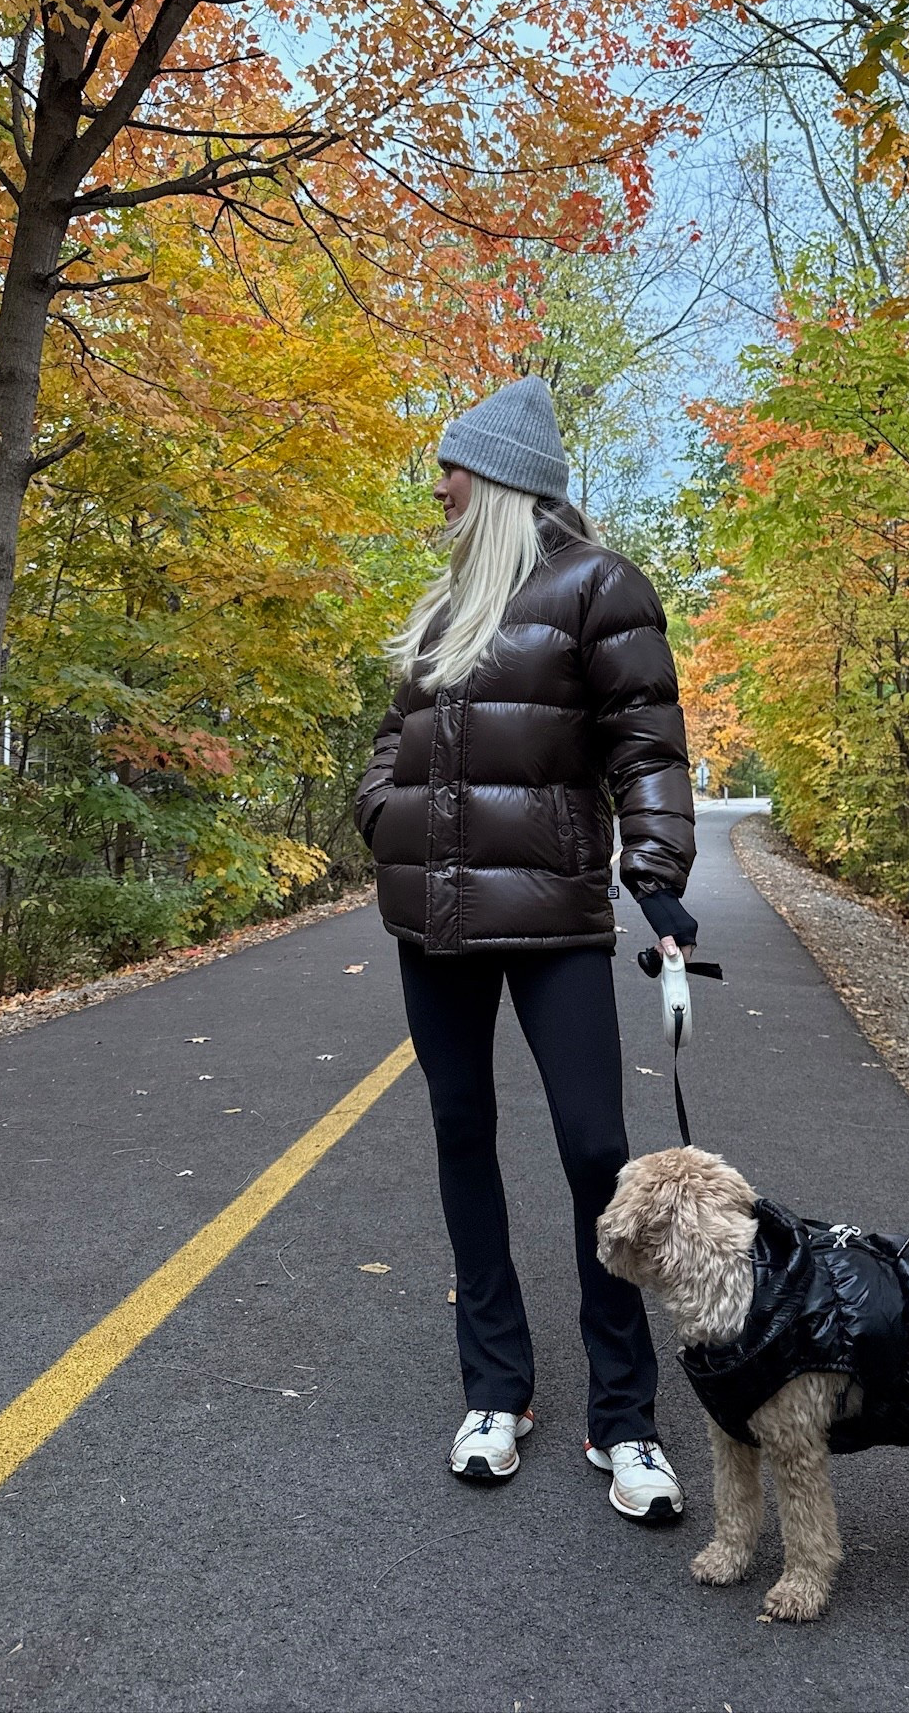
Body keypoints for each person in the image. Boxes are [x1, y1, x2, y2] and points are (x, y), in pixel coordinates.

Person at [352, 375, 699, 1522]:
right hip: (433, 920)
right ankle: (495, 1388)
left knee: (597, 1150)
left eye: (450, 466)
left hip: (555, 917)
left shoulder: (600, 586)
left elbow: (648, 745)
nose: (437, 485)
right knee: (462, 1136)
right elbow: (391, 742)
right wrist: (381, 814)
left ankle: (626, 1413)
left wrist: (657, 874)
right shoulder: (445, 604)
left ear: (498, 475)